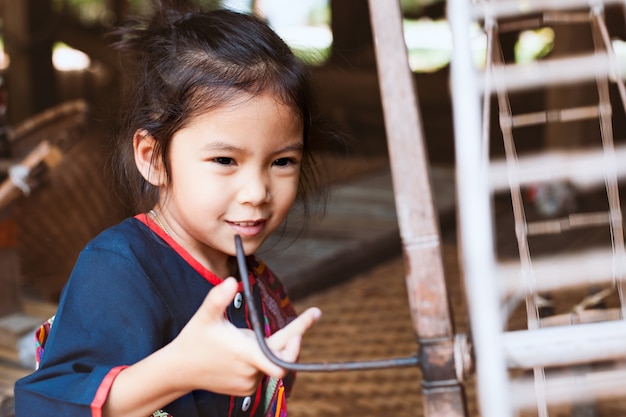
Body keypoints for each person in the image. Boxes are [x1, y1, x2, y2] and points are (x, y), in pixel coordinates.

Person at [14, 2, 327, 416]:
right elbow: (45, 406)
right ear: (153, 158)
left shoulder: (250, 277)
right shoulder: (117, 268)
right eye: (225, 161)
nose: (257, 192)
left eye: (282, 162)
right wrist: (180, 371)